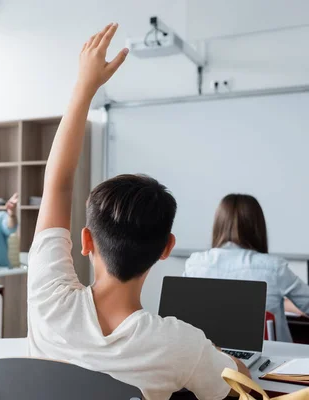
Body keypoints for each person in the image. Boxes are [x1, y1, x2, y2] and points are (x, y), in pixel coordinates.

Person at [27, 23, 250, 400]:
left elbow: (57, 183)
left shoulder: (48, 303)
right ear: (166, 248)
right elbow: (241, 384)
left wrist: (85, 86)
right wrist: (223, 359)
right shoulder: (180, 346)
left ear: (86, 241)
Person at [184, 193, 309, 342]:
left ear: (218, 225)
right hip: (270, 361)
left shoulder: (195, 264)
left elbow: (184, 317)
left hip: (213, 357)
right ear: (257, 227)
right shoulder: (273, 268)